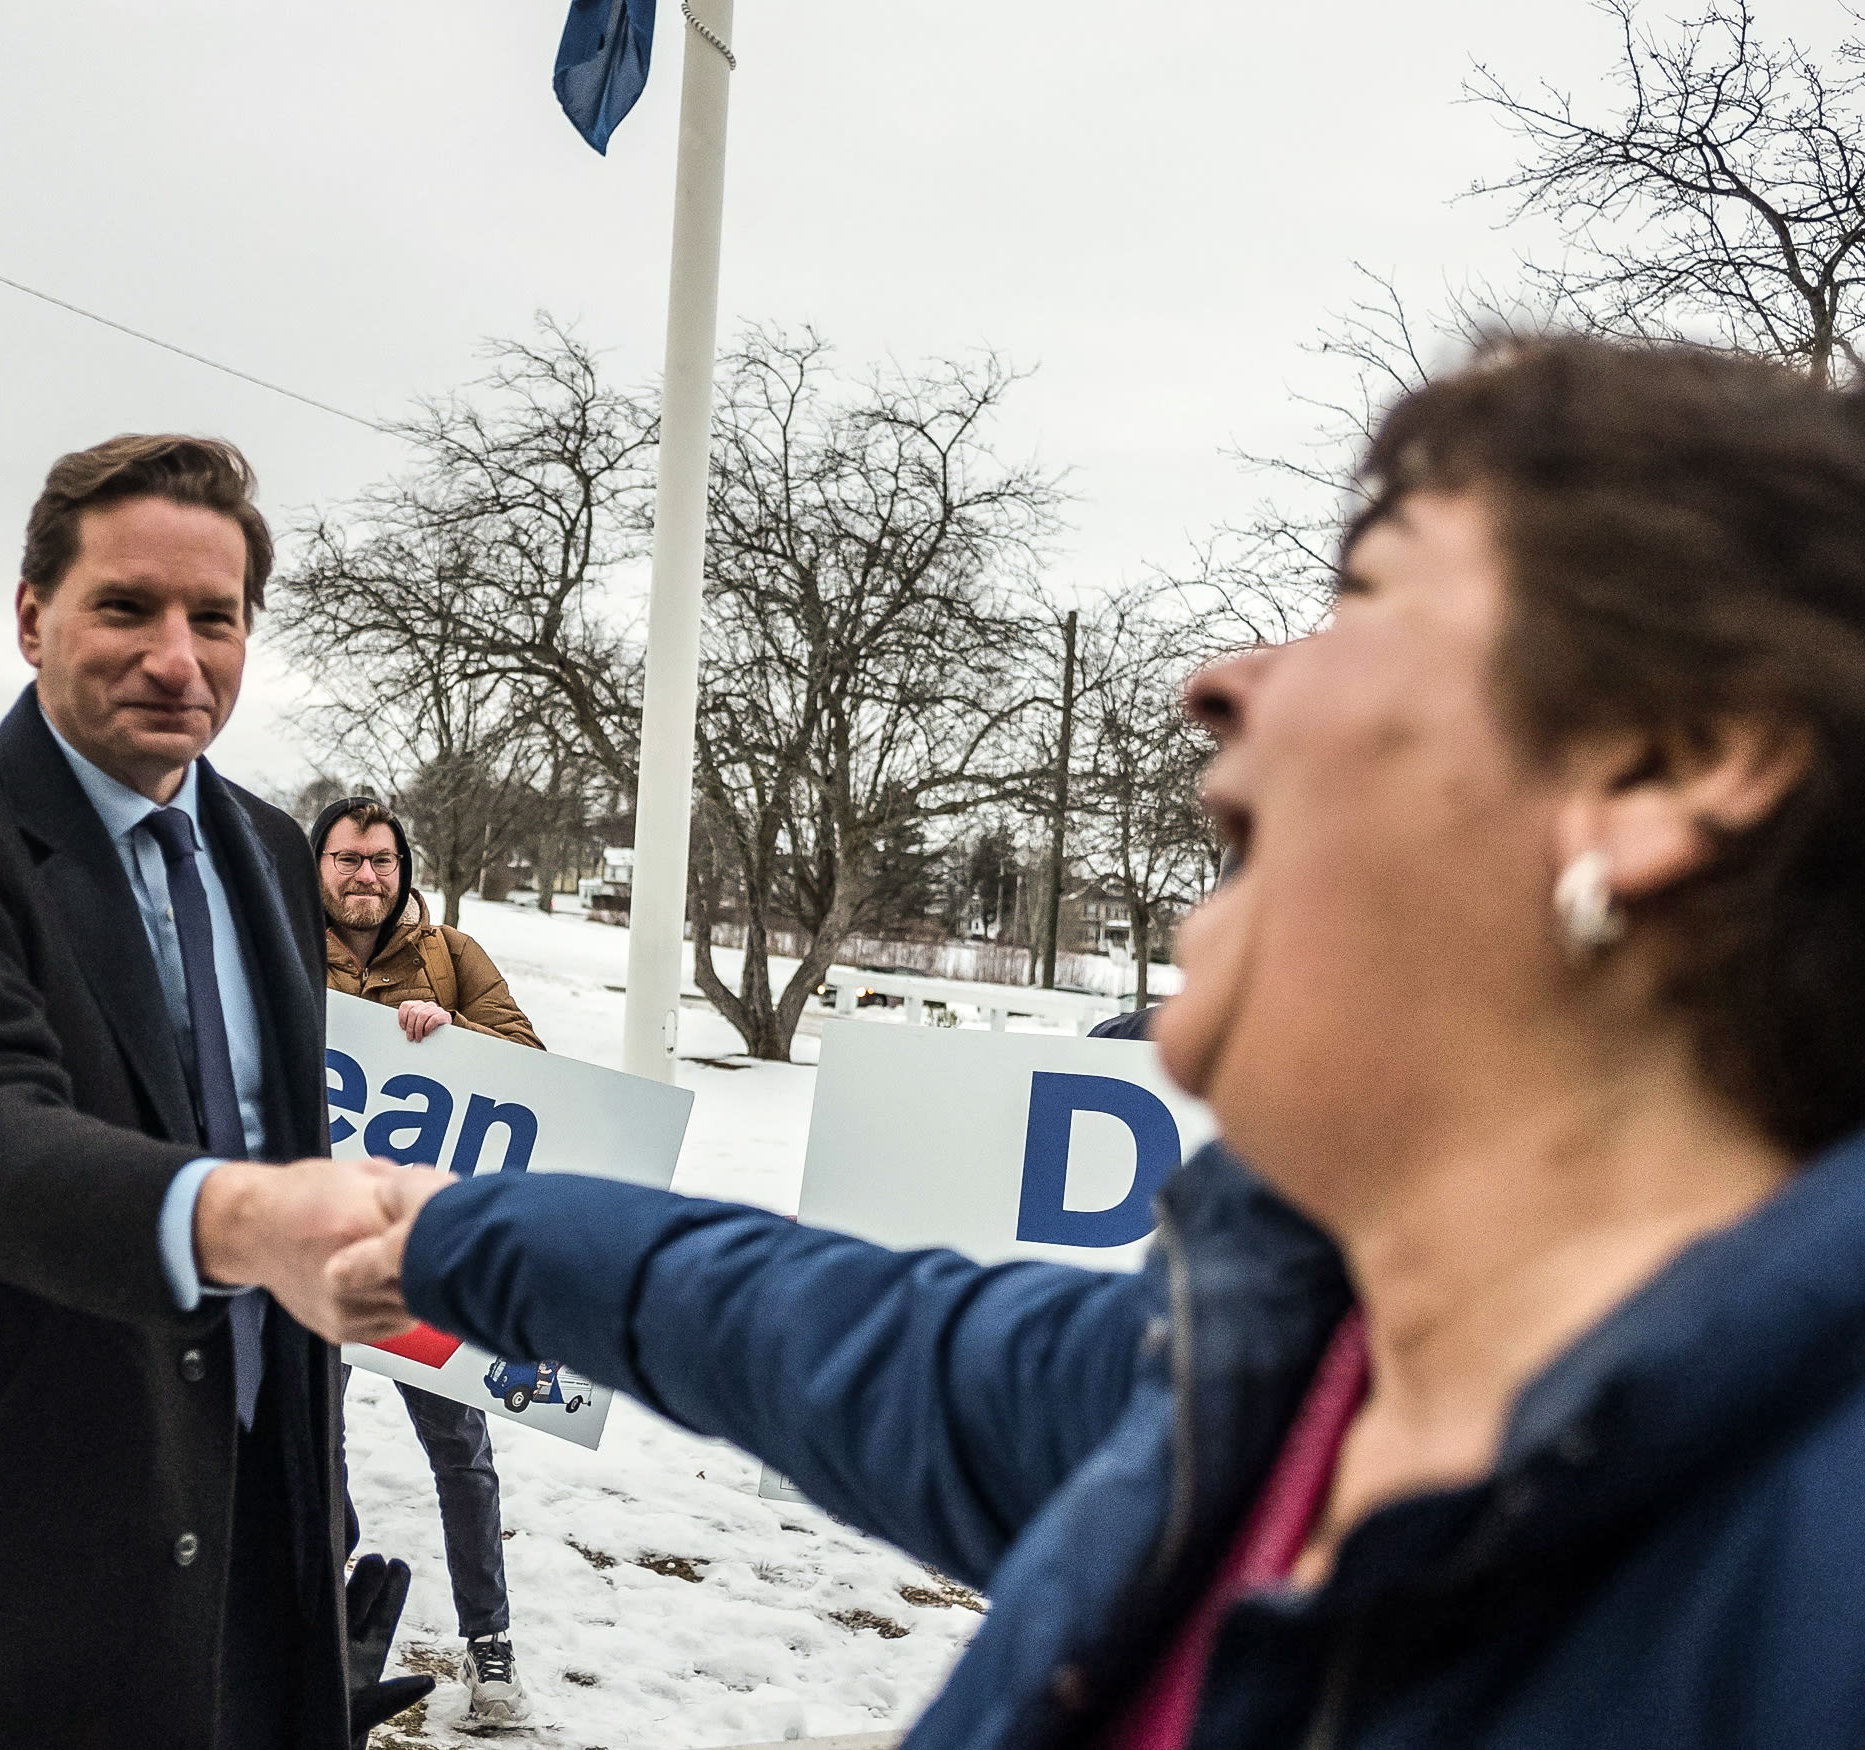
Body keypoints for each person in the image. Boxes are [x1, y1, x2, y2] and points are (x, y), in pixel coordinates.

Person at [220, 339, 1865, 1747]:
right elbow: (839, 1337)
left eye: (1366, 597)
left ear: (1664, 767)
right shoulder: (1280, 1393)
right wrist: (456, 1233)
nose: (1223, 684)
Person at [0, 434, 430, 1748]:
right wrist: (247, 1218)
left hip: (259, 1545)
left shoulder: (268, 846)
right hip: (15, 1573)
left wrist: (314, 1506)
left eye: (216, 617)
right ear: (33, 616)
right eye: (127, 607)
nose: (178, 657)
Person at [312, 795, 538, 1727]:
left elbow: (528, 1060)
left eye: (380, 860)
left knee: (461, 1451)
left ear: (403, 868)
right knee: (305, 1452)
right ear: (317, 868)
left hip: (421, 1251)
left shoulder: (453, 957)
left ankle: (491, 1648)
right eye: (345, 859)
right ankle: (318, 1630)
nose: (364, 875)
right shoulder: (275, 948)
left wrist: (452, 1032)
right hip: (312, 1250)